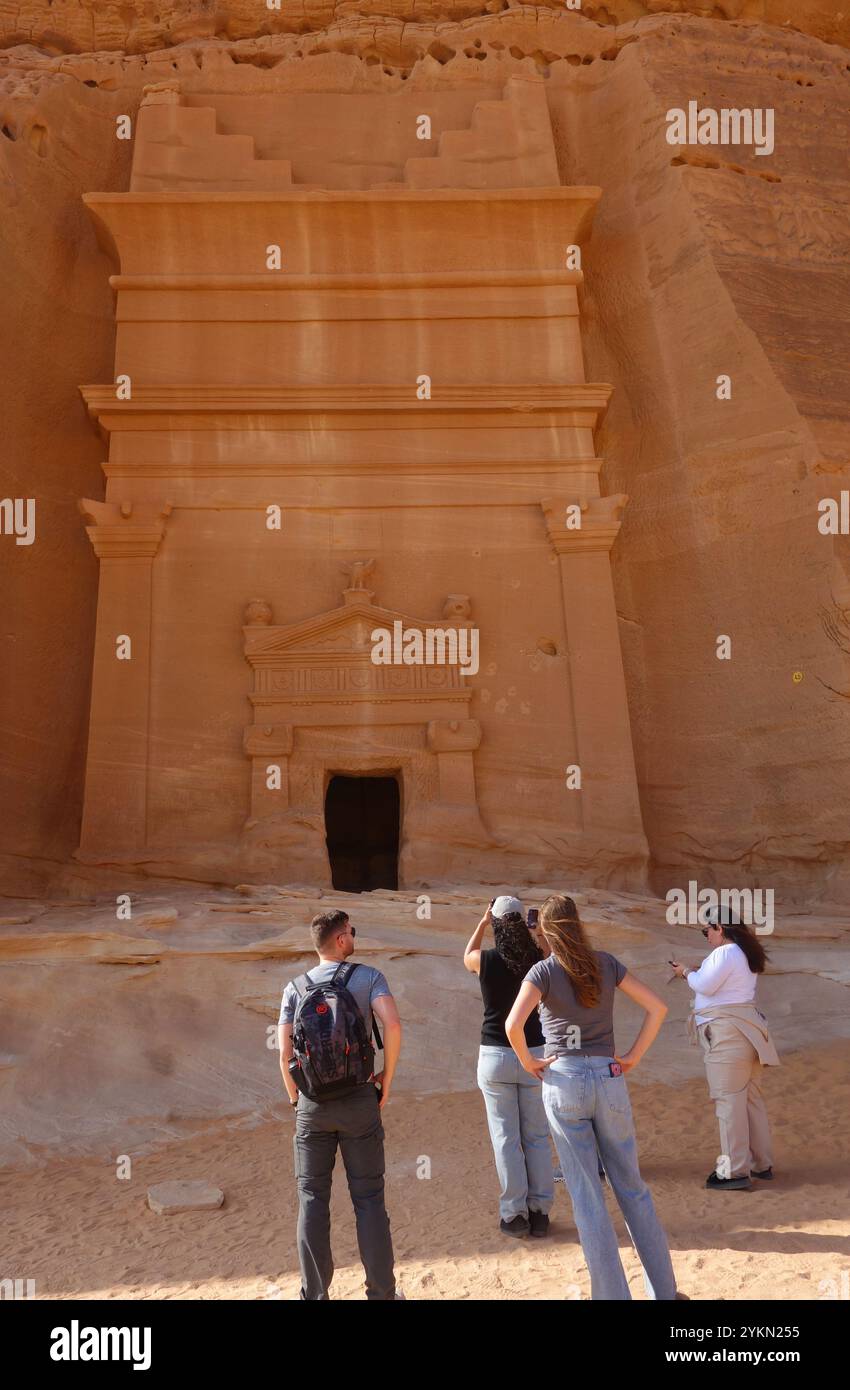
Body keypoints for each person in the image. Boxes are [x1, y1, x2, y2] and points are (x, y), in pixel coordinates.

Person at [506, 894, 686, 1301]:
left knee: (587, 1196)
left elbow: (513, 1024)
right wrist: (633, 1057)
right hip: (608, 1077)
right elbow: (657, 1007)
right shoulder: (605, 963)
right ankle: (665, 1292)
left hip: (565, 1079)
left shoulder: (544, 971)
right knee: (633, 1188)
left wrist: (530, 1063)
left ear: (546, 930)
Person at [278, 909, 403, 1300]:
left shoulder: (294, 989)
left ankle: (314, 1295)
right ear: (340, 940)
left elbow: (284, 1054)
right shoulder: (369, 978)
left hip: (312, 1106)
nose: (353, 937)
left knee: (312, 1200)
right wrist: (386, 1078)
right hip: (359, 1099)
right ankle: (381, 1294)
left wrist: (296, 1098)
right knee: (368, 1199)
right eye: (351, 932)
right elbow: (393, 1026)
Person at [670, 904, 779, 1191]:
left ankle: (734, 1171)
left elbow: (705, 986)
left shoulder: (725, 952)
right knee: (750, 1100)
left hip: (727, 1035)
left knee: (728, 1102)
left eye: (707, 930)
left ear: (720, 928)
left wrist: (685, 973)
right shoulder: (743, 953)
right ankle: (761, 1164)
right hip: (747, 1032)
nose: (706, 935)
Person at [464, 895, 555, 1238]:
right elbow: (549, 951)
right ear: (521, 922)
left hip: (496, 1056)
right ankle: (540, 1211)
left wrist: (481, 923)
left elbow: (465, 956)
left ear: (497, 922)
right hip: (534, 1053)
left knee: (506, 1139)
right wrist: (538, 931)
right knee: (536, 1136)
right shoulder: (537, 959)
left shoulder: (486, 960)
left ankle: (514, 1214)